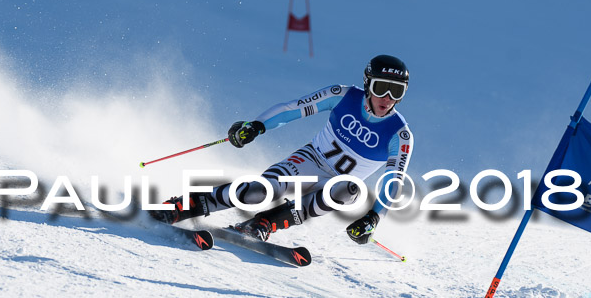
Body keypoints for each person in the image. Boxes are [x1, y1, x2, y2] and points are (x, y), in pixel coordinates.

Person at [150, 54, 414, 245]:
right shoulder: (344, 95)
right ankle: (185, 206)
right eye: (382, 88)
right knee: (257, 191)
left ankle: (263, 224)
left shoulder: (399, 135)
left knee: (348, 190)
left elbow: (394, 182)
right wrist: (256, 126)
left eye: (396, 91)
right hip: (310, 161)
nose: (387, 98)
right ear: (368, 84)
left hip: (338, 183)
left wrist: (373, 218)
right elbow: (293, 109)